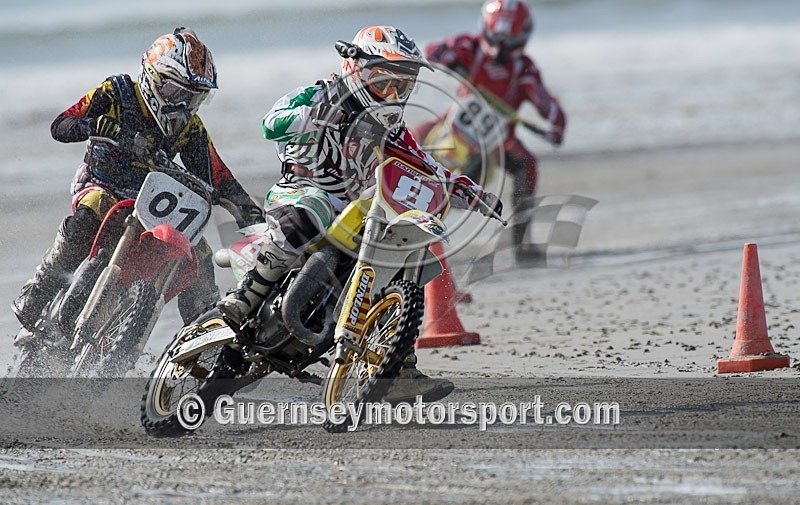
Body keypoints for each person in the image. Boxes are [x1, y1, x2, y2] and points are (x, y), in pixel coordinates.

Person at [217, 25, 502, 403]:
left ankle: (397, 368)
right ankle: (245, 296)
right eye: (386, 82)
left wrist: (467, 188)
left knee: (403, 256)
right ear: (356, 68)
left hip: (357, 207)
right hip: (302, 192)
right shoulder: (322, 94)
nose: (395, 94)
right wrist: (307, 116)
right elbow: (271, 122)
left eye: (404, 86)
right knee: (311, 211)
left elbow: (425, 163)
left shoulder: (391, 126)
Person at [11, 27, 263, 342]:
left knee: (199, 253)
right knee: (88, 214)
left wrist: (254, 218)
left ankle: (201, 337)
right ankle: (37, 293)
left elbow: (219, 177)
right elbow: (61, 125)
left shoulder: (190, 128)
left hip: (152, 200)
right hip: (101, 183)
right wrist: (97, 125)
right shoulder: (116, 92)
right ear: (154, 79)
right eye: (179, 94)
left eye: (195, 97)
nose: (184, 106)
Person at [418, 0, 567, 264]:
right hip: (454, 129)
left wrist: (555, 126)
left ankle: (521, 244)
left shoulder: (525, 71)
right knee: (411, 140)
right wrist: (454, 64)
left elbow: (553, 113)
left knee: (527, 166)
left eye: (509, 41)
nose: (501, 48)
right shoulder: (469, 47)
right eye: (499, 39)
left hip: (499, 144)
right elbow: (432, 51)